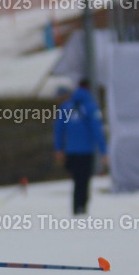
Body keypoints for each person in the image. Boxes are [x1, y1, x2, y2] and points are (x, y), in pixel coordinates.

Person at [54, 80, 108, 215]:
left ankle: (76, 207)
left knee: (76, 180)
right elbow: (97, 130)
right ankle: (81, 208)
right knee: (84, 181)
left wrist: (59, 149)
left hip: (70, 151)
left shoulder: (66, 107)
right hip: (85, 151)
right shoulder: (91, 107)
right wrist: (103, 151)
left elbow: (59, 129)